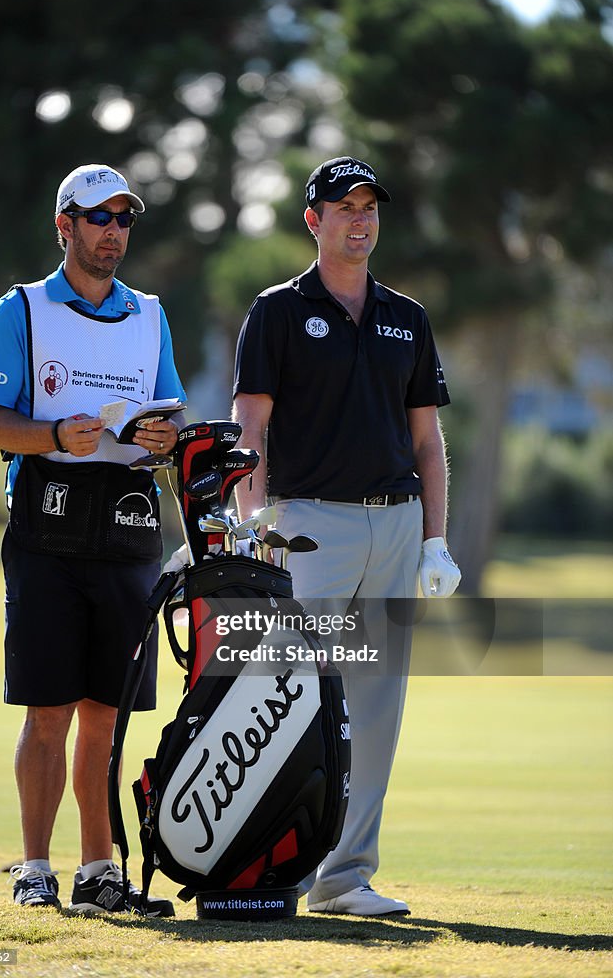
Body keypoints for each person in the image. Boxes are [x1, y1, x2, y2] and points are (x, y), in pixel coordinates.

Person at [232, 156, 461, 917]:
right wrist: (253, 527)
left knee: (374, 707)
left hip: (394, 525)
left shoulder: (407, 317)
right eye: (343, 207)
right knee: (283, 698)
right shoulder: (276, 310)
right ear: (313, 220)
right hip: (306, 527)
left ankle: (343, 877)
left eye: (369, 207)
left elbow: (426, 442)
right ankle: (262, 864)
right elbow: (250, 430)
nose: (359, 220)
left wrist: (434, 540)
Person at [0, 164, 186, 916]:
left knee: (106, 711)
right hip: (46, 526)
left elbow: (169, 423)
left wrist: (163, 435)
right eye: (99, 217)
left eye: (125, 218)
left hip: (129, 529)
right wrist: (56, 433)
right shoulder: (22, 309)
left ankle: (100, 870)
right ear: (65, 226)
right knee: (49, 711)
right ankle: (36, 867)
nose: (114, 231)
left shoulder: (149, 313)